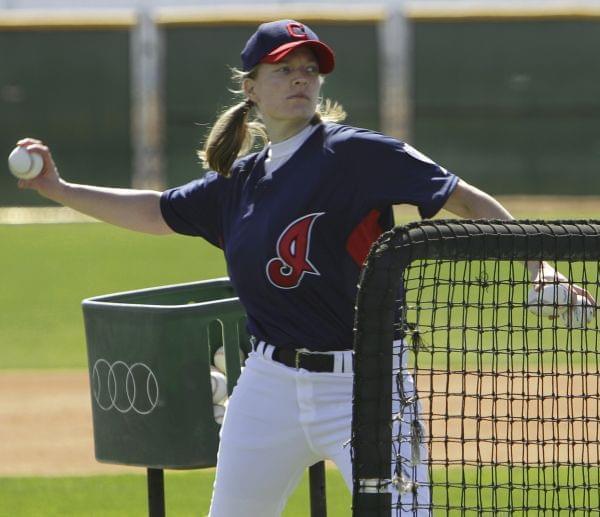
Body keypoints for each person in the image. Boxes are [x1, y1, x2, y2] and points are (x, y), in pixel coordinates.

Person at [15, 19, 592, 517]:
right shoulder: (239, 182)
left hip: (365, 383)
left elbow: (468, 200)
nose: (300, 79)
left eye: (310, 69)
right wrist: (58, 189)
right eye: (283, 69)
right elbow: (155, 210)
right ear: (251, 88)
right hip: (267, 385)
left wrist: (537, 266)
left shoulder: (357, 154)